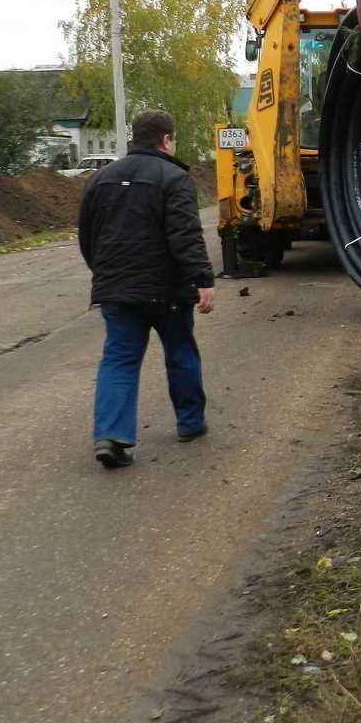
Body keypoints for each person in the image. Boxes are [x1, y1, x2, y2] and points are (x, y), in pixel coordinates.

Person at [78, 109, 216, 469]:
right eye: (173, 139)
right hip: (167, 290)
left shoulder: (100, 179)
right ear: (166, 140)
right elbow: (185, 235)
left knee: (119, 359)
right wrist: (202, 279)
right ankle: (190, 423)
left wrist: (105, 274)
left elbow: (88, 236)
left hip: (117, 290)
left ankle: (111, 436)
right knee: (180, 351)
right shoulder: (175, 178)